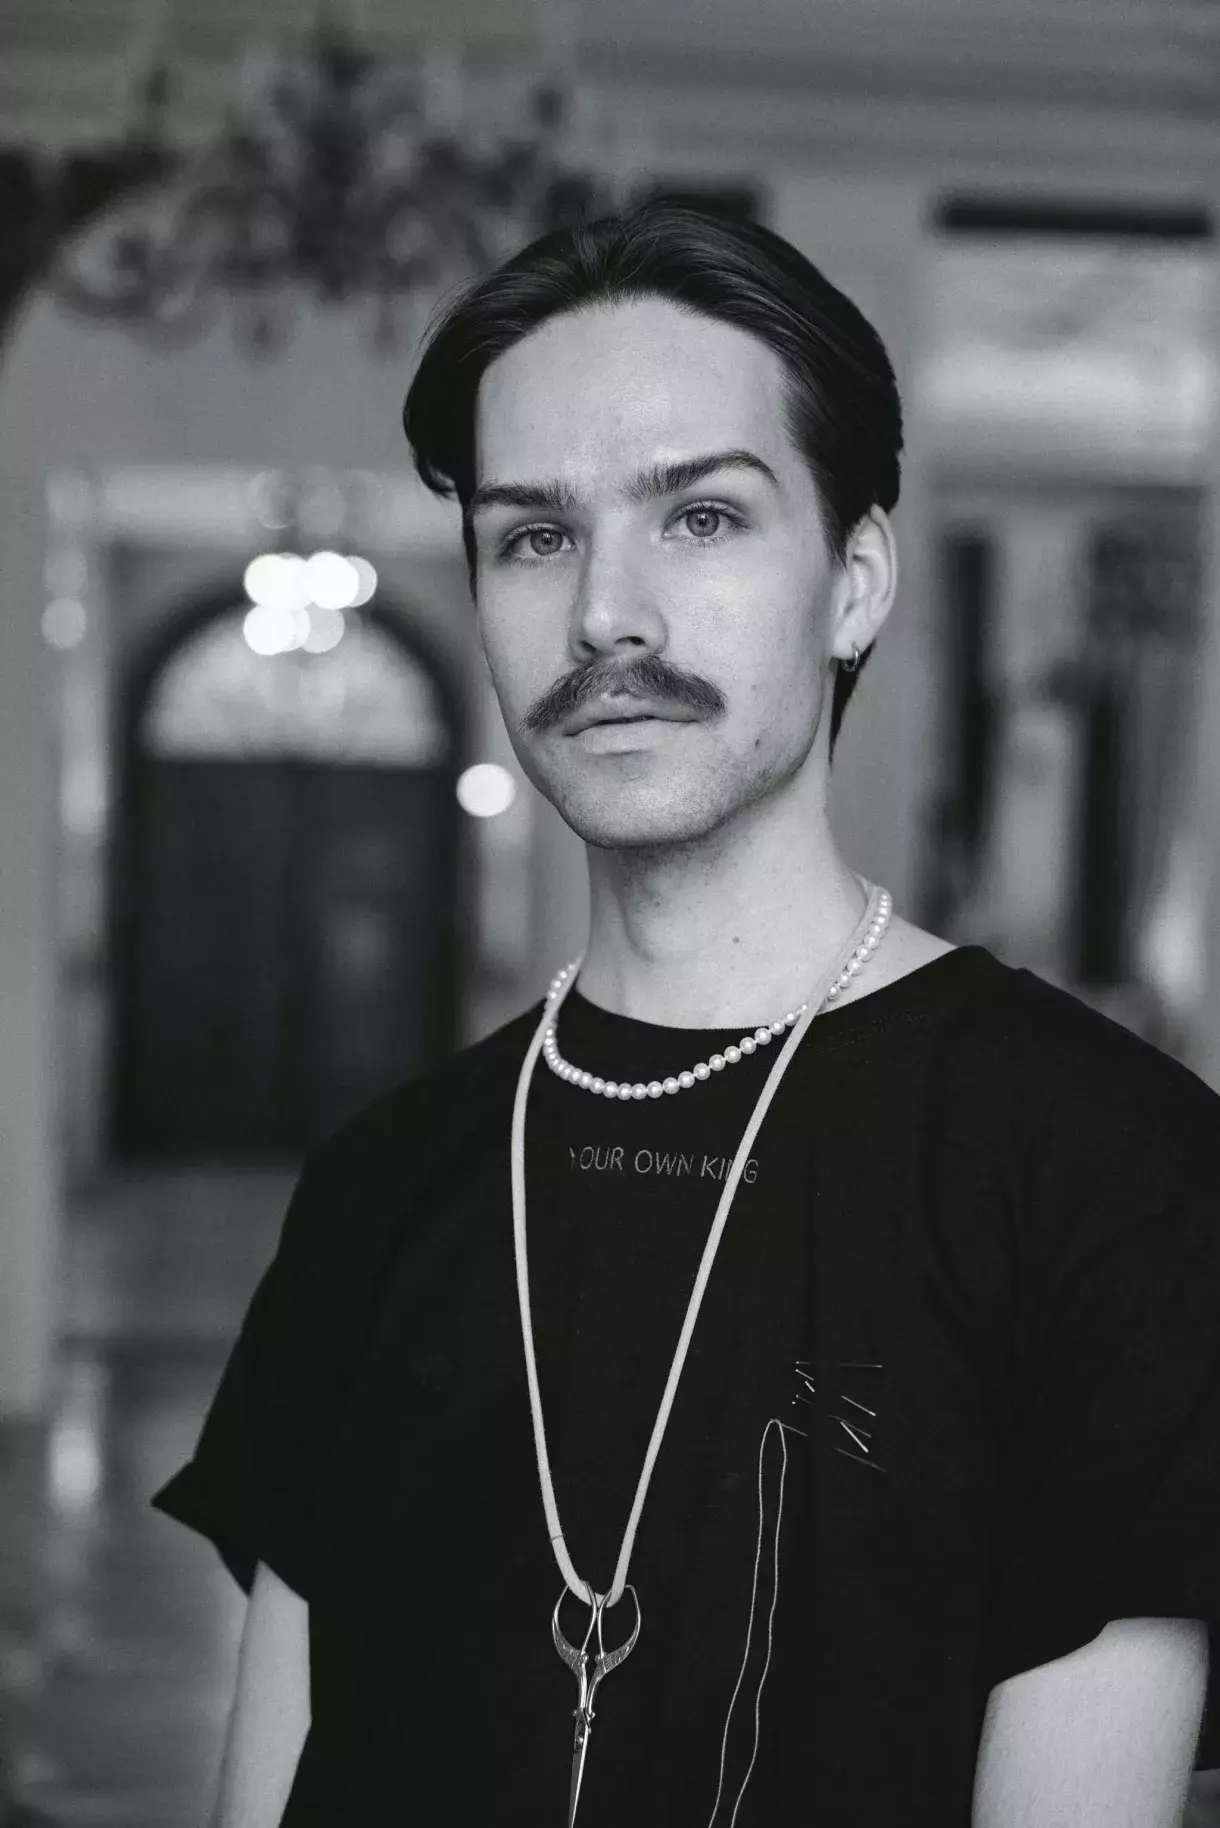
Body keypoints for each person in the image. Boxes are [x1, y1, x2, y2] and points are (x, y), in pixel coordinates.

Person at [151, 202, 1220, 1828]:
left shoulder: (1120, 1171)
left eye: (703, 518)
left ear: (855, 584)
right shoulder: (381, 1182)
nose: (607, 614)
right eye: (534, 535)